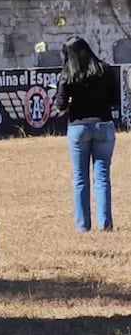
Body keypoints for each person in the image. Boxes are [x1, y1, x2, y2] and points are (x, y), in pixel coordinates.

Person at [54, 36, 117, 231]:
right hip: (103, 125)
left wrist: (73, 103)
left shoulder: (67, 74)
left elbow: (60, 107)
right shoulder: (104, 69)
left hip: (78, 127)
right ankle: (105, 224)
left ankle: (83, 226)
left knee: (81, 178)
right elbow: (114, 99)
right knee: (102, 177)